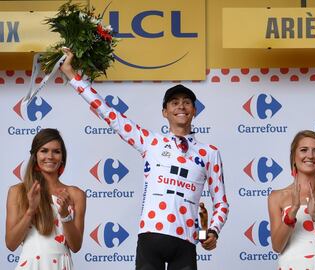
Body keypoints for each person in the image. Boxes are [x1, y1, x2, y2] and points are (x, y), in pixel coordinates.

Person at [60, 48, 229, 270]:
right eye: (174, 102)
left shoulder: (209, 152)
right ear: (165, 112)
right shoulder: (150, 142)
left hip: (187, 242)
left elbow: (221, 203)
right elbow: (109, 113)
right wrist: (71, 74)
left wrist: (211, 231)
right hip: (151, 237)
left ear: (194, 110)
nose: (181, 106)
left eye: (187, 102)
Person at [5, 128, 86, 270]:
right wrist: (31, 210)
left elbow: (76, 246)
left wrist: (65, 215)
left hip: (62, 265)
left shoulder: (75, 194)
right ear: (35, 156)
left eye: (56, 151)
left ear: (62, 158)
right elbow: (11, 244)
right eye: (44, 150)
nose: (50, 156)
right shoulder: (18, 191)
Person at [268, 130, 315, 269]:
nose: (310, 155)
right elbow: (277, 246)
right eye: (304, 150)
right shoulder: (276, 197)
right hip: (290, 264)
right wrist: (292, 213)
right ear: (294, 157)